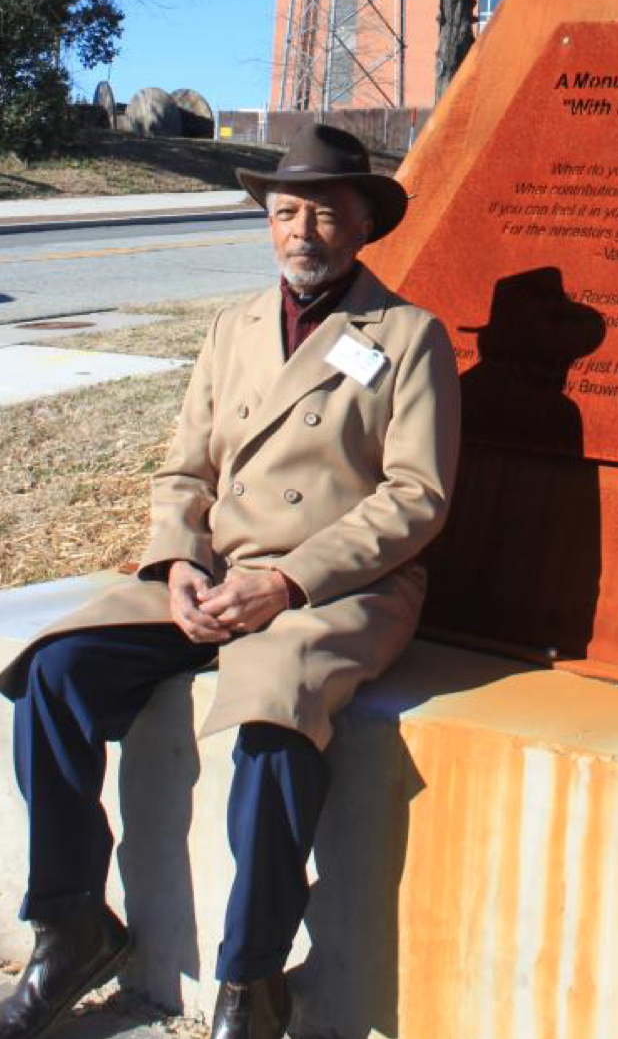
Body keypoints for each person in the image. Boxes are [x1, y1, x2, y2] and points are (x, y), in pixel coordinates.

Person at [0, 123, 461, 1039]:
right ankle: (71, 922)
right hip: (215, 575)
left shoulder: (409, 338)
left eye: (324, 214)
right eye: (285, 213)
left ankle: (251, 985)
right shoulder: (232, 327)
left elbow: (418, 496)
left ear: (363, 225)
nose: (301, 232)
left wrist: (285, 583)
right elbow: (186, 470)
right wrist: (177, 563)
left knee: (276, 717)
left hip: (340, 588)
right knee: (55, 674)